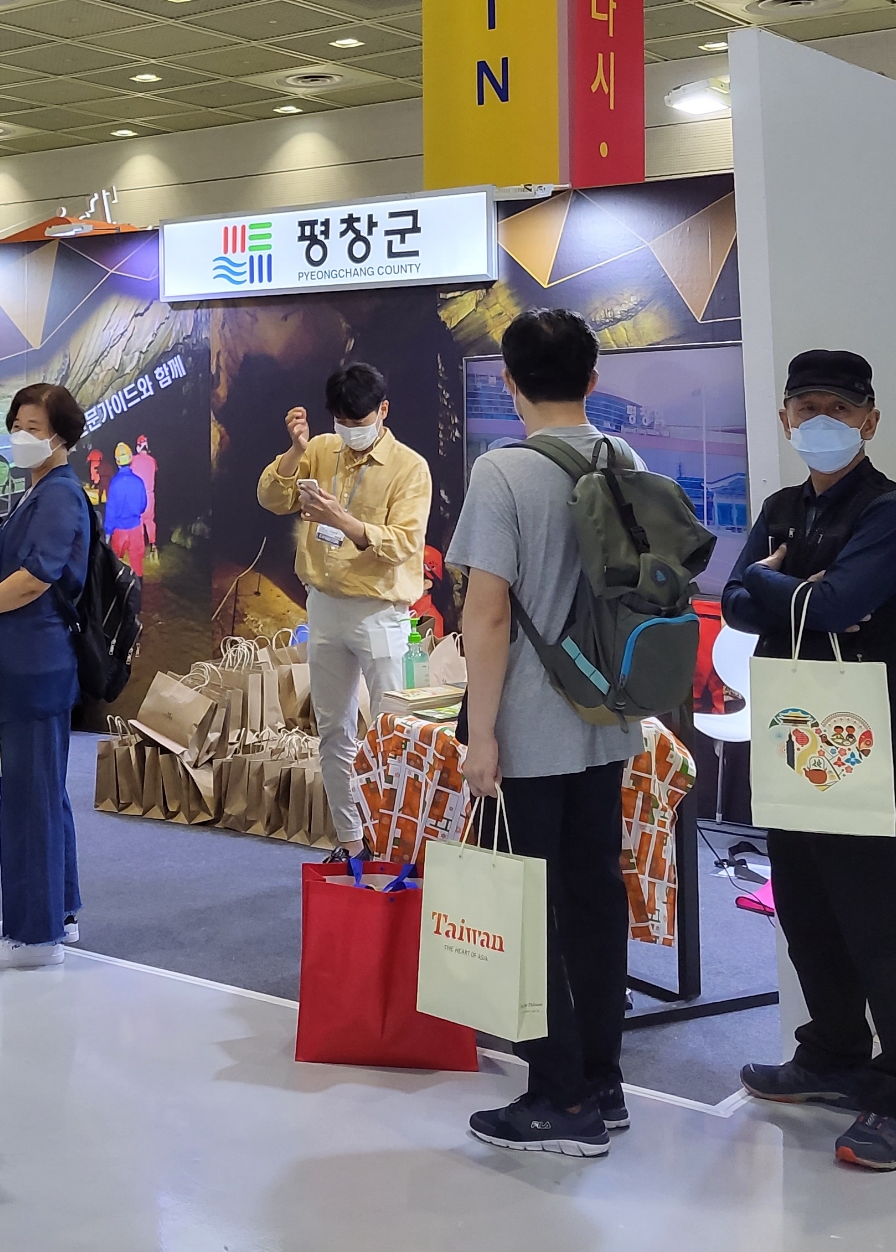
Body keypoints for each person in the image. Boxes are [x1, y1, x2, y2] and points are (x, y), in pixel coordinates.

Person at [722, 350, 896, 1172]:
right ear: (784, 417)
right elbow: (735, 602)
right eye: (806, 406)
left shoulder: (895, 513)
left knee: (882, 920)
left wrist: (784, 586)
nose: (821, 422)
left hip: (863, 737)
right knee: (807, 907)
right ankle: (833, 1053)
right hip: (790, 731)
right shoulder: (782, 508)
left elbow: (839, 601)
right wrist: (800, 592)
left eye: (839, 409)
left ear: (870, 420)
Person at [450, 310, 637, 1158]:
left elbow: (487, 615)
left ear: (510, 382)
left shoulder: (503, 471)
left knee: (528, 907)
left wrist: (481, 733)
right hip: (607, 718)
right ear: (592, 380)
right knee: (596, 898)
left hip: (530, 724)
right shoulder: (624, 459)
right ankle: (601, 1080)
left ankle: (558, 1100)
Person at [258, 362, 434, 857]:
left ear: (383, 410)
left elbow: (403, 544)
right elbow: (271, 497)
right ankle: (352, 841)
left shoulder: (410, 467)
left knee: (394, 730)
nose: (349, 431)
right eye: (341, 421)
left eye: (358, 422)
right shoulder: (319, 449)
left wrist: (343, 521)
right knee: (333, 729)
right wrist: (295, 451)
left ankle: (399, 844)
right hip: (324, 606)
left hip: (380, 613)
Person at [0, 383, 91, 969]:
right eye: (16, 424)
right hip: (27, 660)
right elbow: (18, 570)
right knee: (42, 793)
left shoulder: (58, 493)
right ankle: (57, 910)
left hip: (35, 664)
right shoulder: (39, 491)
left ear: (60, 434)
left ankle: (34, 936)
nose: (20, 436)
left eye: (33, 427)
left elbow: (38, 577)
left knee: (29, 799)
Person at [104, 441, 149, 577]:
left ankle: (117, 588)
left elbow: (111, 511)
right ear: (130, 459)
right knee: (137, 564)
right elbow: (143, 505)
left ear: (117, 461)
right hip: (136, 528)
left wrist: (108, 533)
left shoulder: (114, 483)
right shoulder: (139, 481)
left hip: (119, 530)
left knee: (116, 563)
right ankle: (137, 588)